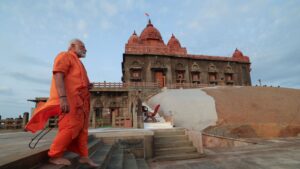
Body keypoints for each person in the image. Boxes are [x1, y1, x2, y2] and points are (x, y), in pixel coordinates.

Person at [25, 39, 98, 167]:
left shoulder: (78, 62)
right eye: (82, 46)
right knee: (69, 127)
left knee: (82, 130)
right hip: (70, 100)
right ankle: (54, 155)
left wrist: (87, 85)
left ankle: (84, 156)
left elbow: (77, 81)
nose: (85, 49)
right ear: (72, 46)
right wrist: (63, 97)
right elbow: (58, 74)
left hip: (81, 103)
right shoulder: (65, 56)